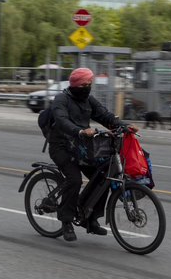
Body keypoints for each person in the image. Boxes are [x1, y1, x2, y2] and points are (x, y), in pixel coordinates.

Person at [46, 67, 134, 242]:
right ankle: (66, 222)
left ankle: (90, 219)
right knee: (74, 179)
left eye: (89, 83)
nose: (88, 87)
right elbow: (62, 121)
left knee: (103, 177)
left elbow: (105, 115)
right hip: (61, 147)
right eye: (84, 84)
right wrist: (79, 131)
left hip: (82, 148)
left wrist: (124, 125)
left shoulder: (88, 100)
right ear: (76, 85)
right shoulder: (61, 100)